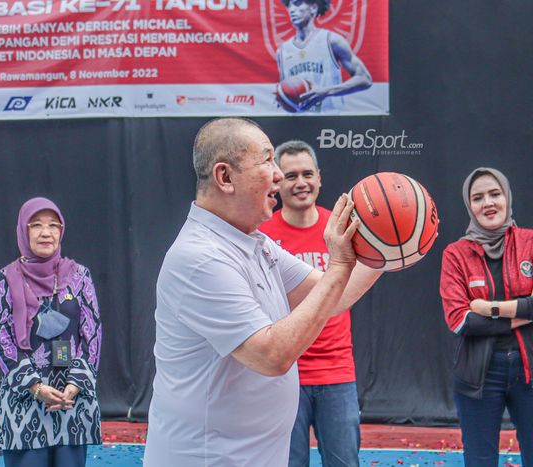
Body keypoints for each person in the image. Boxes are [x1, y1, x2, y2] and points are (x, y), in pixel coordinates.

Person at [143, 118, 382, 466]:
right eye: (267, 160)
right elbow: (271, 355)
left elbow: (333, 297)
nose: (279, 175)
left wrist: (388, 253)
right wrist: (341, 265)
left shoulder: (254, 242)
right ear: (225, 177)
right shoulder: (200, 258)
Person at [439, 167, 533, 466]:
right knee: (479, 461)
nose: (488, 203)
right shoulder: (455, 254)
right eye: (478, 197)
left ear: (507, 197)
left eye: (495, 194)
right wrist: (525, 309)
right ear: (469, 206)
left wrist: (488, 308)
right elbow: (461, 321)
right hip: (478, 377)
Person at [261, 140, 360, 467]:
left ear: (319, 178)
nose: (300, 182)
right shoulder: (262, 235)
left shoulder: (342, 229)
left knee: (345, 462)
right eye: (290, 176)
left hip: (337, 370)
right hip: (285, 371)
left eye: (307, 174)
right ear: (278, 181)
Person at [0, 197, 102, 467]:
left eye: (53, 225)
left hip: (71, 403)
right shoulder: (6, 278)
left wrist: (74, 386)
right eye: (36, 225)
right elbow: (1, 338)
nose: (46, 232)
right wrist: (36, 387)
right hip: (24, 403)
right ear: (23, 231)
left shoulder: (79, 276)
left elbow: (93, 334)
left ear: (61, 231)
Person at [277, 0, 372, 112]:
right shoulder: (283, 50)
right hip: (298, 122)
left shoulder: (332, 40)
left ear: (313, 8)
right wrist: (282, 97)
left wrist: (326, 91)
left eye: (297, 3)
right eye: (289, 6)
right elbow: (286, 89)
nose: (292, 10)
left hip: (330, 120)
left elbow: (365, 79)